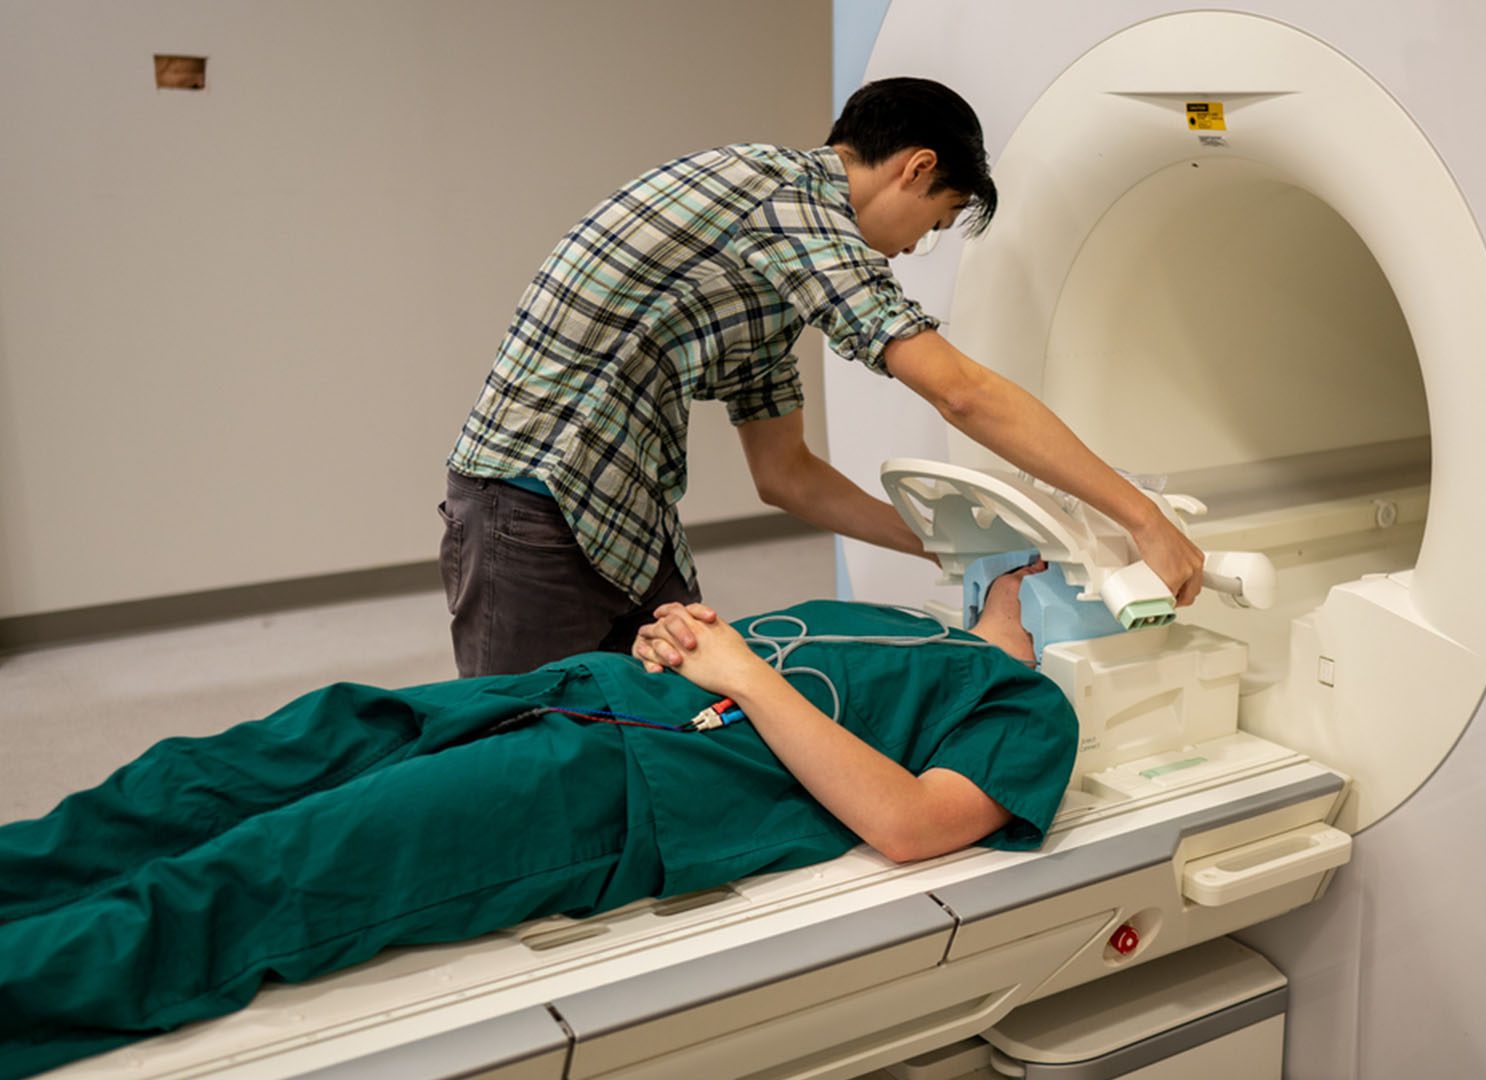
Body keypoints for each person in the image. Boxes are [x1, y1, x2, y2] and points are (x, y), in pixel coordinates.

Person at [0, 563, 1074, 1079]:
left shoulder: (1030, 709)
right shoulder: (920, 623)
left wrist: (739, 669)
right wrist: (677, 642)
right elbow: (734, 660)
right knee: (196, 782)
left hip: (617, 787)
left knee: (266, 870)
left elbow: (910, 822)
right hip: (568, 689)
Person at [440, 76, 1204, 676]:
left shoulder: (772, 276)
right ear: (917, 169)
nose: (912, 251)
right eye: (935, 225)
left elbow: (787, 476)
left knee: (681, 722)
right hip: (531, 503)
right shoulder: (787, 199)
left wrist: (961, 550)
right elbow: (960, 390)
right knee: (523, 751)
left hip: (627, 520)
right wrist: (1142, 517)